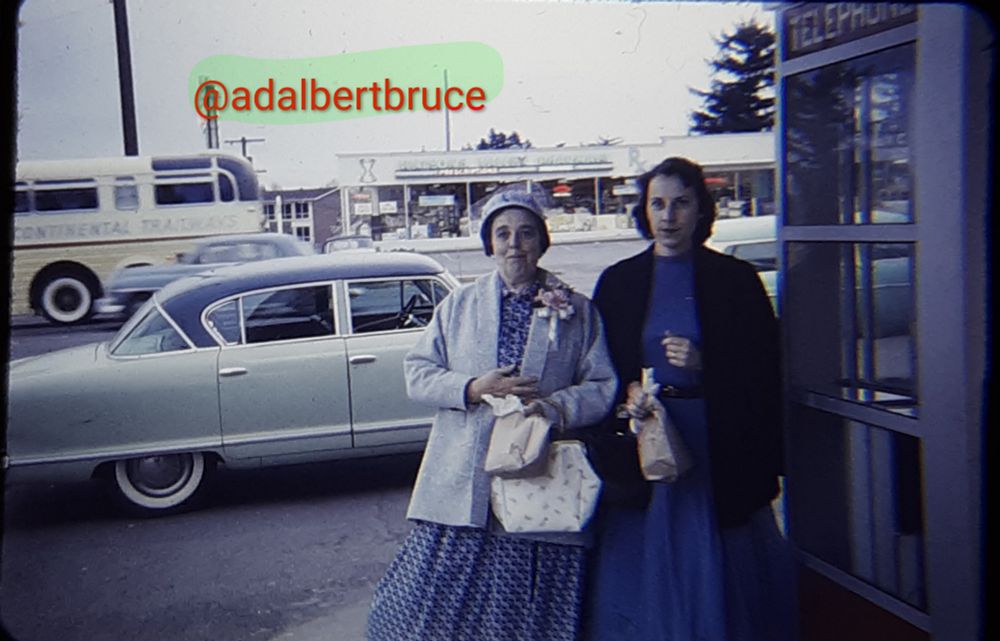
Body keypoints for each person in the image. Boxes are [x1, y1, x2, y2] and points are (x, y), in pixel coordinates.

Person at [366, 187, 617, 641]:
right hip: (469, 480)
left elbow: (603, 385)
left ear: (542, 241)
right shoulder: (458, 306)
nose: (514, 244)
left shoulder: (577, 310)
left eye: (525, 233)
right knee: (444, 610)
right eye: (502, 234)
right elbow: (418, 373)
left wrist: (556, 407)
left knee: (533, 607)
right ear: (489, 244)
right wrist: (472, 387)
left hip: (541, 479)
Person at [585, 157, 797, 641]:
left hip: (714, 442)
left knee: (725, 568)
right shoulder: (618, 281)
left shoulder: (737, 280)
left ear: (701, 209)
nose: (669, 216)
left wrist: (709, 363)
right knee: (646, 567)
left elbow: (768, 367)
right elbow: (599, 368)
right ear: (644, 210)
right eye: (658, 203)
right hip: (648, 445)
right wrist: (629, 395)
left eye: (681, 203)